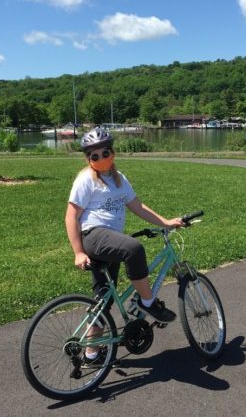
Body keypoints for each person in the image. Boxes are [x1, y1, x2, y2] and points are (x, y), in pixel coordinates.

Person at [65, 127, 184, 364]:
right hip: (95, 236)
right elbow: (71, 216)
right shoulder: (85, 180)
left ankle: (91, 353)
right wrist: (78, 252)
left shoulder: (120, 180)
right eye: (94, 156)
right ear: (88, 159)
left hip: (110, 242)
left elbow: (138, 207)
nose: (100, 159)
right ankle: (147, 301)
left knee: (103, 300)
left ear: (113, 153)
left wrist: (166, 222)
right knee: (134, 249)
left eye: (104, 153)